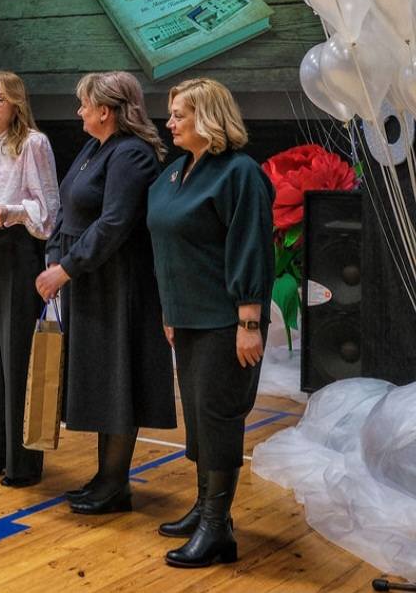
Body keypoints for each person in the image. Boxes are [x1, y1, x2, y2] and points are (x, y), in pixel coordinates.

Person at [146, 78, 274, 568]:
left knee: (218, 417)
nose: (170, 123)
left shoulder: (239, 173)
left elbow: (250, 246)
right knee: (199, 418)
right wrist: (170, 310)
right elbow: (167, 248)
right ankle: (205, 509)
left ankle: (217, 528)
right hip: (186, 317)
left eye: (179, 114)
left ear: (209, 118)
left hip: (226, 320)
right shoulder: (174, 174)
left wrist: (249, 321)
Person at [34, 72, 176, 513]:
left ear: (106, 111)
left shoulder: (131, 154)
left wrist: (66, 268)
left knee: (118, 380)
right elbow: (67, 209)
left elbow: (113, 224)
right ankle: (105, 477)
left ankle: (115, 484)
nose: (78, 111)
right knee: (101, 380)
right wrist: (54, 256)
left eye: (84, 104)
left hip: (119, 287)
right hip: (90, 282)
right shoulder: (96, 148)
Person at [0, 70, 60, 488]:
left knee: (16, 352)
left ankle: (21, 462)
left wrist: (12, 211)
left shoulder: (34, 143)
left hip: (19, 248)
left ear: (16, 103)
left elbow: (48, 208)